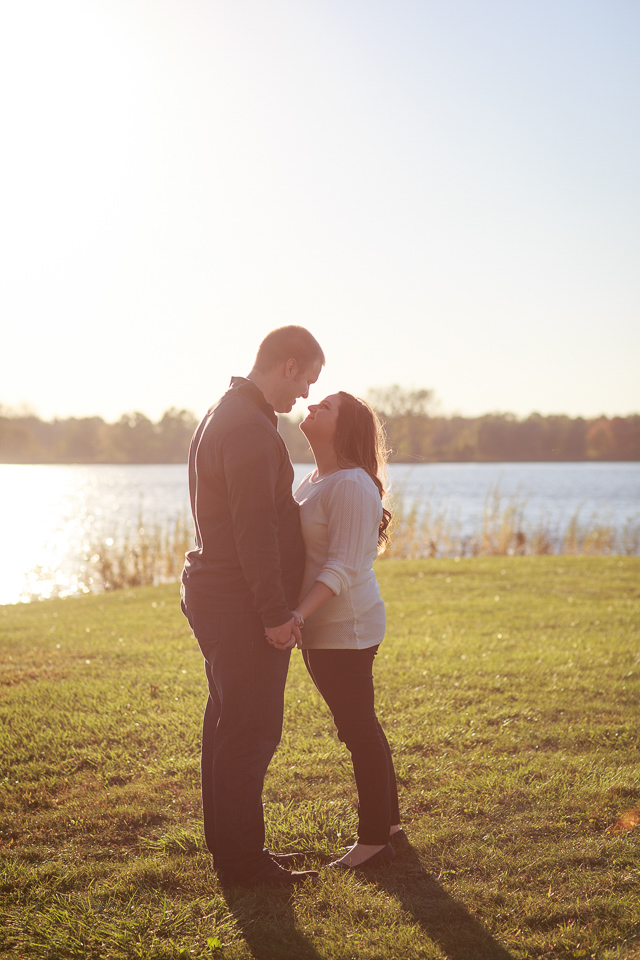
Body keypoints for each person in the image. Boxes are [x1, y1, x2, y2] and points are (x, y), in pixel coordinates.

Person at [180, 325, 325, 888]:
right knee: (250, 730)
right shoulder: (246, 426)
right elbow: (254, 531)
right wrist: (274, 613)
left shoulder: (231, 411)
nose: (306, 396)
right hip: (238, 603)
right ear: (288, 365)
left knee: (227, 722)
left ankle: (234, 854)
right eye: (307, 380)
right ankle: (243, 864)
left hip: (219, 595)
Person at [291, 391, 403, 870]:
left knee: (356, 728)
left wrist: (297, 615)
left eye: (327, 407)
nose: (313, 405)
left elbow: (342, 567)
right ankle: (391, 825)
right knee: (360, 726)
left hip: (347, 627)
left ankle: (375, 838)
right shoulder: (314, 480)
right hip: (321, 626)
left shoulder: (353, 485)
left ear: (345, 428)